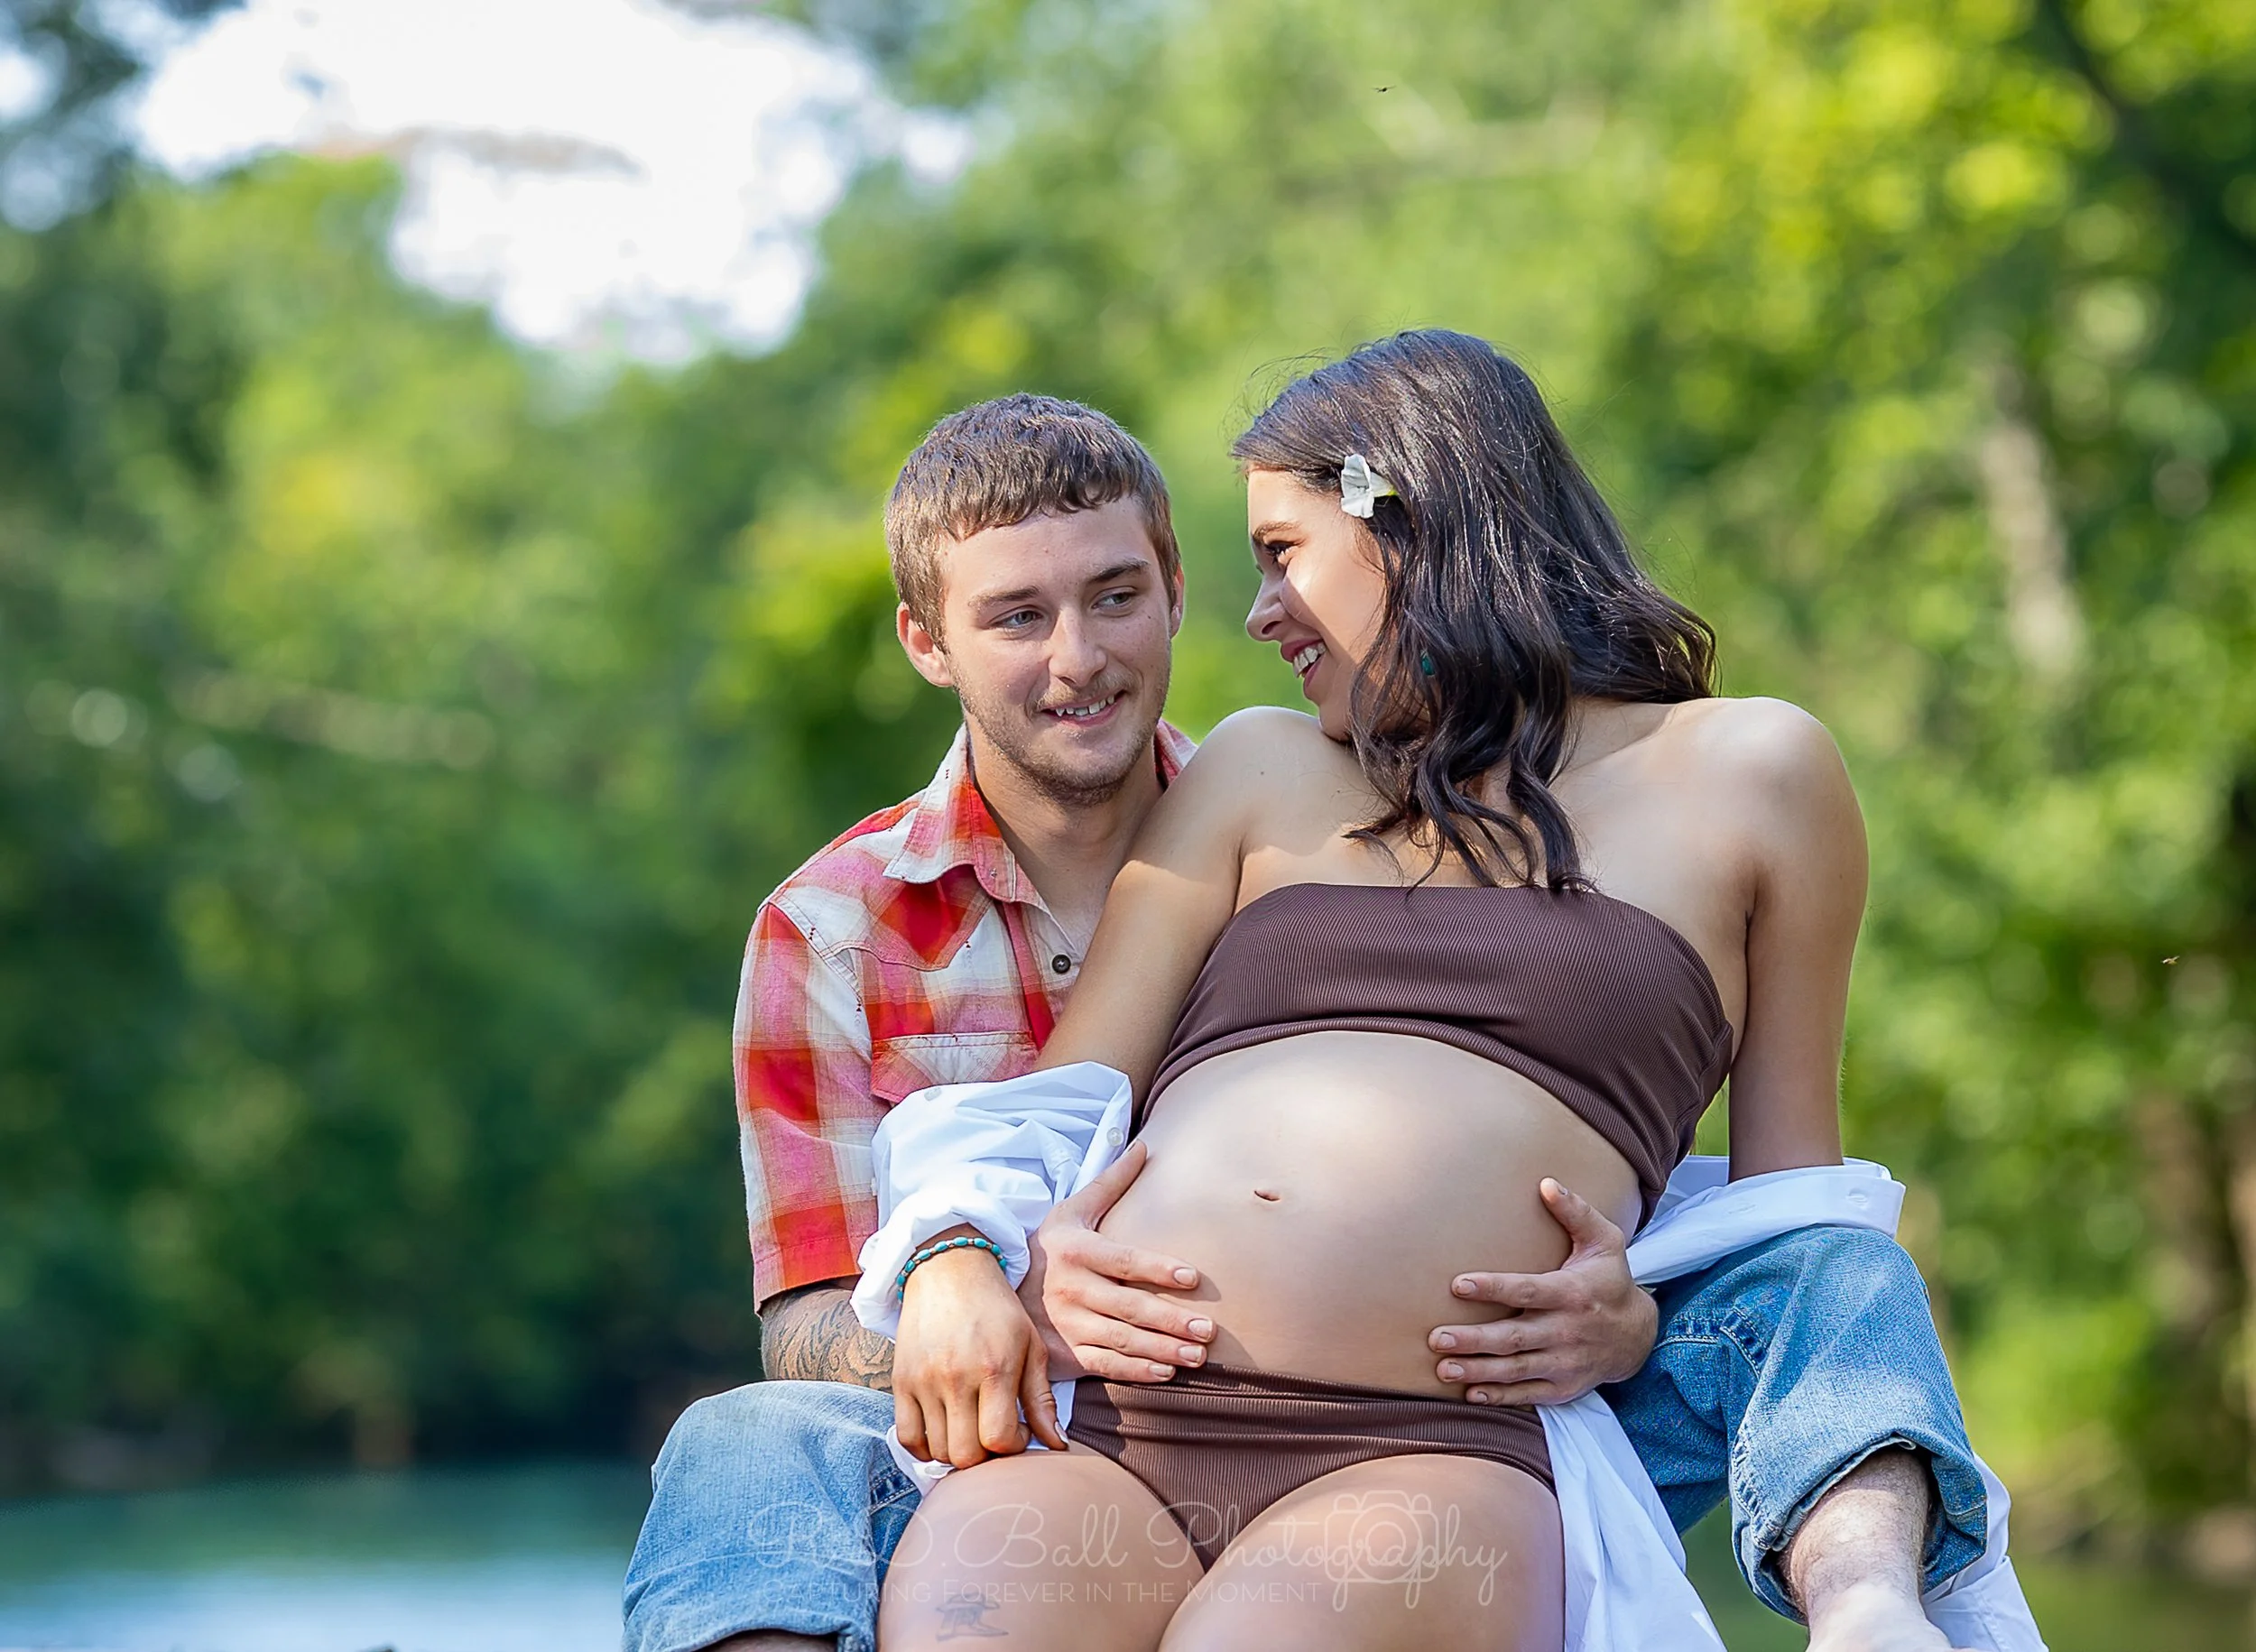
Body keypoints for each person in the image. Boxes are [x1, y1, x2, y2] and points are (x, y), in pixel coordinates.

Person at [621, 382, 1997, 1652]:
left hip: (1436, 1430)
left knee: (1842, 1274)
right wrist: (972, 1269)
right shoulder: (1216, 787)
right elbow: (1012, 1139)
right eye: (1018, 616)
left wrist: (1642, 1313)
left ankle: (1872, 1613)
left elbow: (1788, 1210)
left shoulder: (1750, 770)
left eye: (1275, 555)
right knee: (778, 1467)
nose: (1256, 610)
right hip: (1099, 1425)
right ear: (931, 641)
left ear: (1411, 527)